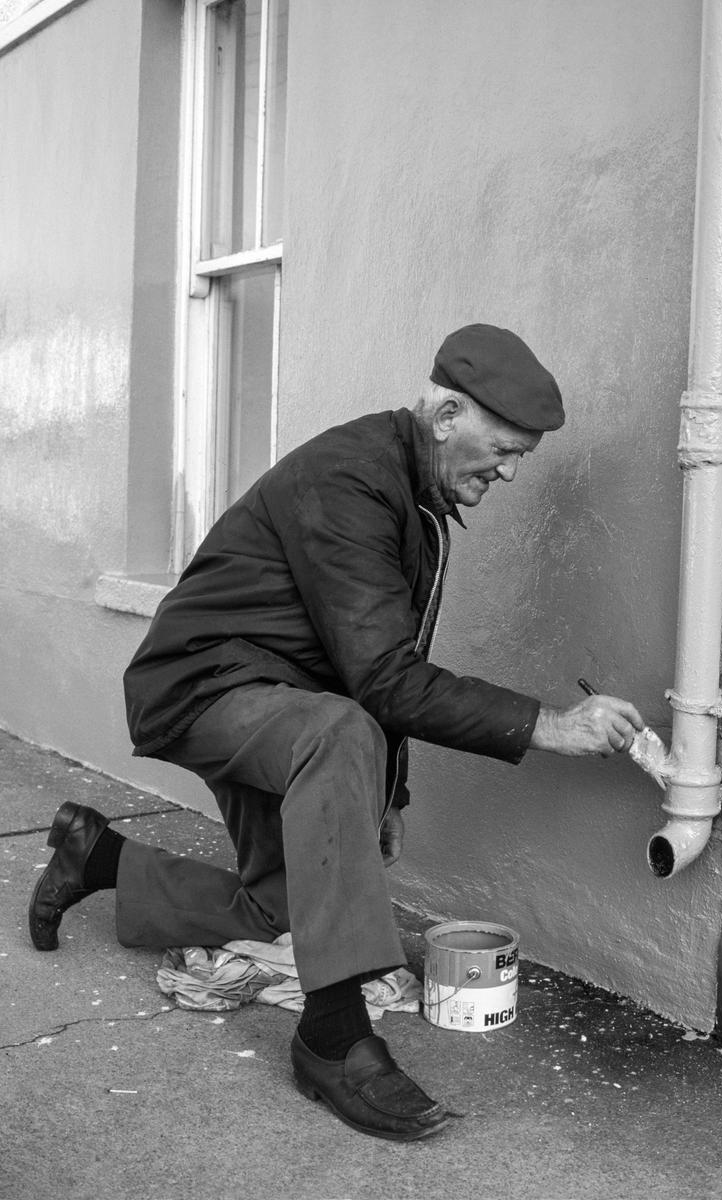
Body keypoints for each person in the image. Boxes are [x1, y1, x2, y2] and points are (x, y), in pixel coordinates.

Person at [29, 324, 643, 1142]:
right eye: (502, 448)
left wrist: (386, 791)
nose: (508, 470)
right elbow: (382, 683)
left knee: (285, 914)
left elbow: (382, 666)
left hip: (277, 700)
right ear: (447, 411)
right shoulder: (352, 480)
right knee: (337, 737)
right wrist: (549, 725)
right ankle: (334, 1040)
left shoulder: (412, 491)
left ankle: (100, 858)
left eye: (522, 457)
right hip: (202, 687)